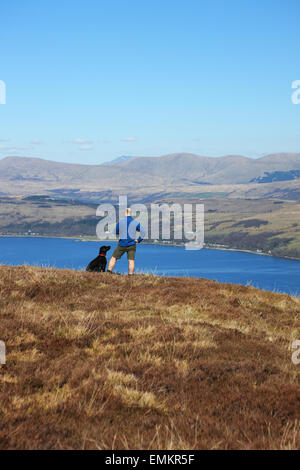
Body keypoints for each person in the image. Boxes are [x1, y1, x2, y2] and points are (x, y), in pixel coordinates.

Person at [107, 208, 146, 275]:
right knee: (131, 260)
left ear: (125, 213)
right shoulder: (135, 222)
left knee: (114, 258)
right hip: (132, 244)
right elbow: (143, 231)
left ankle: (108, 272)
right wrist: (138, 240)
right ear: (131, 213)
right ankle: (130, 275)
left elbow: (116, 232)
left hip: (122, 244)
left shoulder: (121, 222)